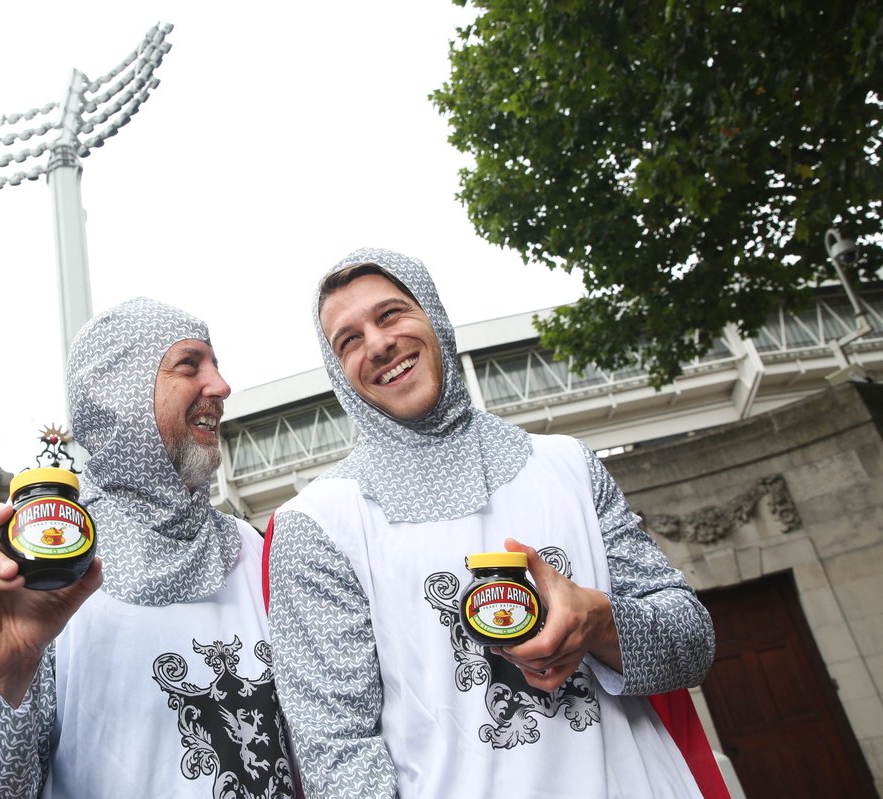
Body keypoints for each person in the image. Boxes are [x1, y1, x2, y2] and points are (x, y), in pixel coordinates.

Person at [266, 248, 718, 798]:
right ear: (338, 371)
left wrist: (599, 623)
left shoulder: (569, 466)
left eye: (391, 314)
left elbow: (694, 645)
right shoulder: (317, 523)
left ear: (433, 315)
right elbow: (335, 747)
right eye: (349, 340)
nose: (378, 344)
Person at [0, 297, 298, 798]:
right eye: (189, 365)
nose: (222, 386)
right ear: (122, 393)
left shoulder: (254, 550)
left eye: (216, 364)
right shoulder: (37, 573)